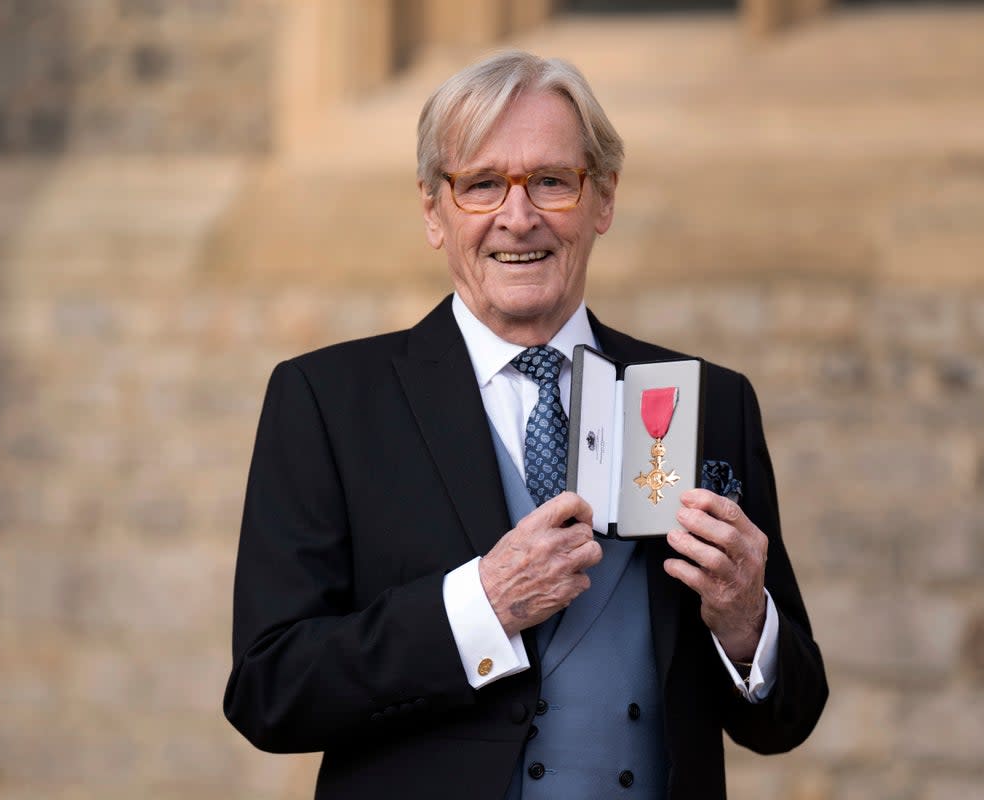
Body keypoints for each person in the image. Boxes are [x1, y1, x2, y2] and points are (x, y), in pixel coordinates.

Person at [224, 51, 826, 800]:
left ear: (602, 199)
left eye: (552, 181)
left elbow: (788, 717)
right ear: (432, 212)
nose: (519, 216)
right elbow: (270, 690)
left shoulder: (709, 401)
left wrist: (745, 624)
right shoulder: (327, 400)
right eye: (481, 185)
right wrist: (481, 606)